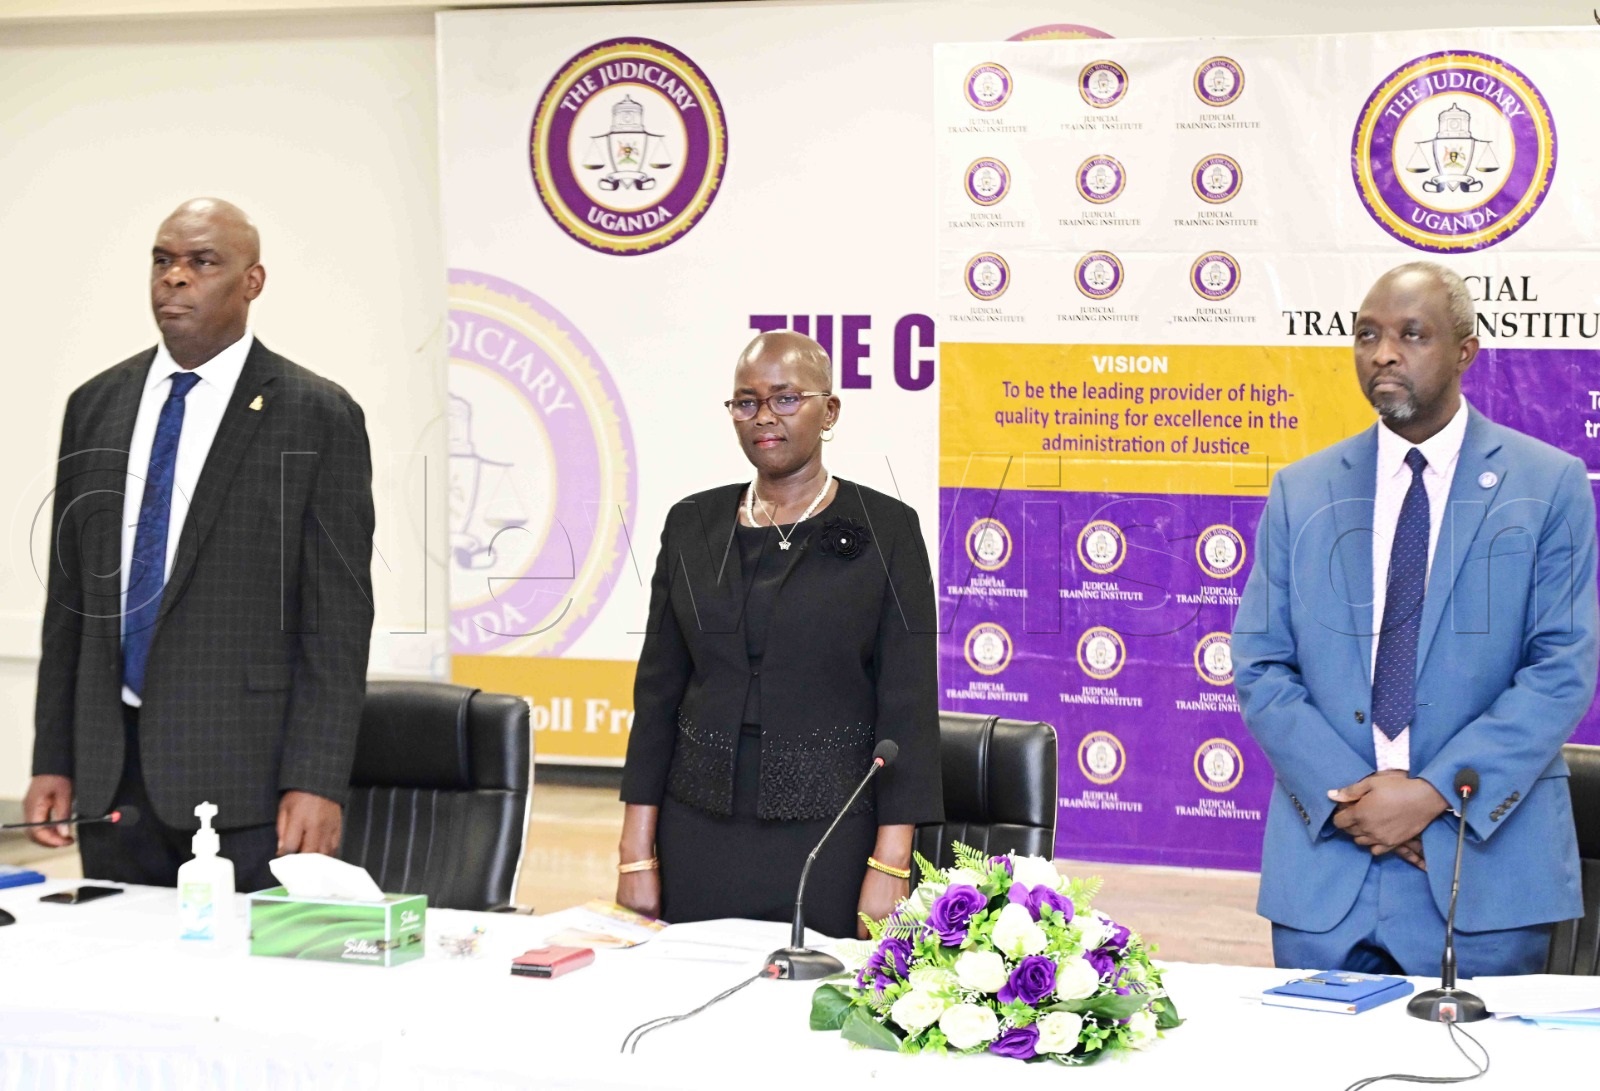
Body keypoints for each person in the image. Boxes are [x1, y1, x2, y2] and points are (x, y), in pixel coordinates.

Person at [1233, 262, 1596, 976]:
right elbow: (1261, 663)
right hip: (1328, 870)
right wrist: (1358, 804)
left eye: (1411, 333)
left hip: (1483, 874)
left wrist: (1429, 794)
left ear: (1465, 351)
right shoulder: (1302, 490)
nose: (1384, 353)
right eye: (1367, 334)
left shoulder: (1547, 484)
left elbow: (1562, 668)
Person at [25, 198, 375, 892]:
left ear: (252, 281)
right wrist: (54, 755)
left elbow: (337, 619)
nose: (175, 279)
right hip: (110, 778)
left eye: (201, 262)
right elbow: (70, 602)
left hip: (249, 782)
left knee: (241, 994)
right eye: (163, 261)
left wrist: (317, 777)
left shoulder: (316, 413)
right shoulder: (95, 403)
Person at [616, 330, 942, 938]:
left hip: (832, 832)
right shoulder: (691, 524)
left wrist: (891, 862)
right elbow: (657, 695)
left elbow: (909, 705)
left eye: (786, 398)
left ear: (830, 410)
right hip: (697, 828)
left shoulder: (887, 529)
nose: (764, 417)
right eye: (747, 401)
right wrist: (636, 850)